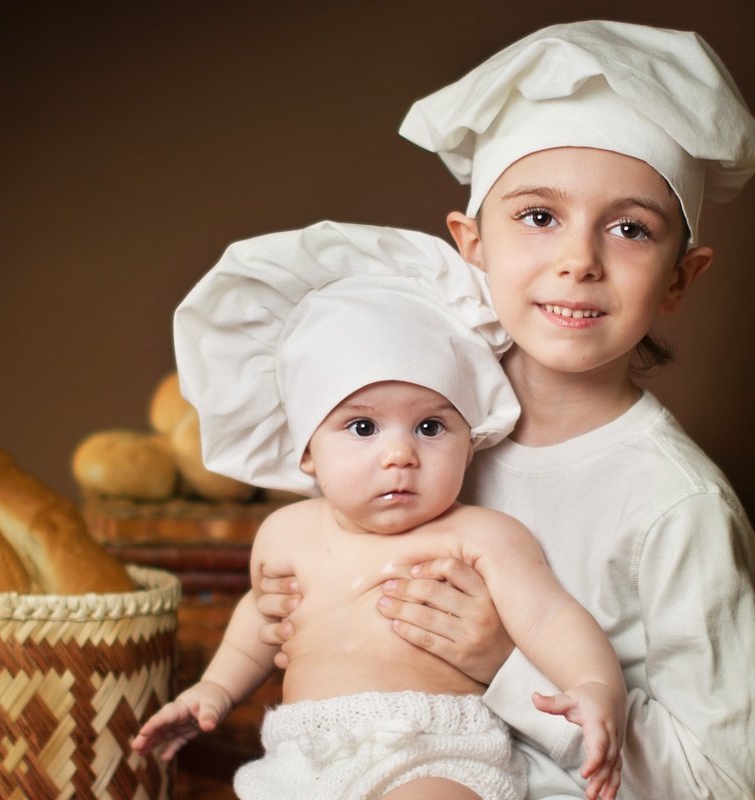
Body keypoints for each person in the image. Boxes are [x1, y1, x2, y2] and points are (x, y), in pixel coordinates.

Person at [256, 20, 755, 799]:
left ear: (680, 279)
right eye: (539, 216)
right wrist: (299, 607)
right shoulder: (409, 420)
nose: (578, 260)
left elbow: (722, 780)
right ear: (470, 241)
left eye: (629, 229)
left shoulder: (675, 506)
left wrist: (502, 666)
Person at [132, 225, 627, 800]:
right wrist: (215, 690)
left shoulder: (481, 536)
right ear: (308, 452)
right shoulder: (286, 534)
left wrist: (594, 686)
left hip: (433, 752)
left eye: (431, 426)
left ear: (471, 438)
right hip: (301, 759)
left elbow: (549, 620)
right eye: (362, 427)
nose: (400, 455)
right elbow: (263, 627)